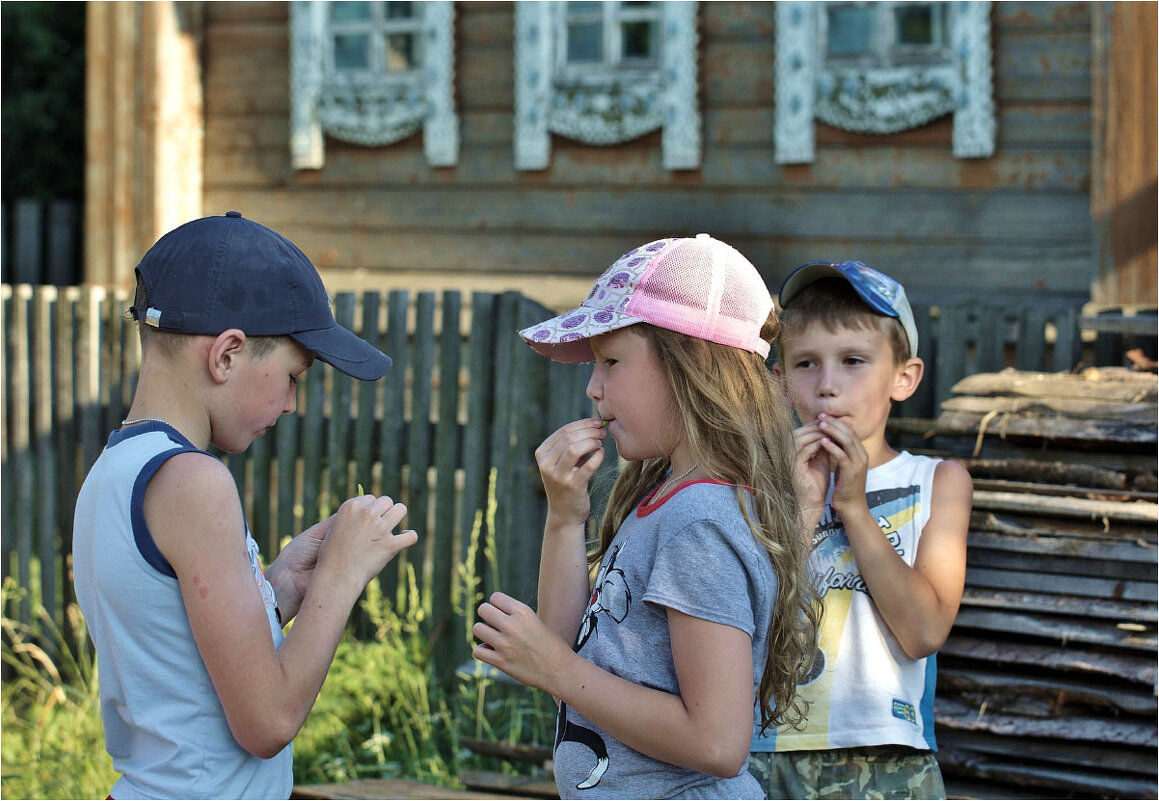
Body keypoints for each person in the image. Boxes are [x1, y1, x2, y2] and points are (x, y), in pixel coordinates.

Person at [72, 211, 419, 800]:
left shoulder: (115, 471)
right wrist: (342, 576)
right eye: (292, 376)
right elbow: (267, 721)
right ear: (227, 355)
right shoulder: (195, 483)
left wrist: (280, 584)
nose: (289, 404)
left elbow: (176, 656)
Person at [471, 234, 820, 799]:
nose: (592, 386)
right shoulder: (663, 498)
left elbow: (717, 743)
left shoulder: (700, 522)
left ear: (696, 361)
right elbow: (566, 656)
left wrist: (555, 668)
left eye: (611, 361)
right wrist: (564, 516)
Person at [748, 261, 973, 799]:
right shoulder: (755, 482)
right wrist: (801, 513)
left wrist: (853, 505)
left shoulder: (937, 481)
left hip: (888, 753)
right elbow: (739, 622)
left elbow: (922, 632)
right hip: (758, 749)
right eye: (806, 363)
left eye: (853, 361)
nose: (828, 386)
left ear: (904, 377)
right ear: (780, 383)